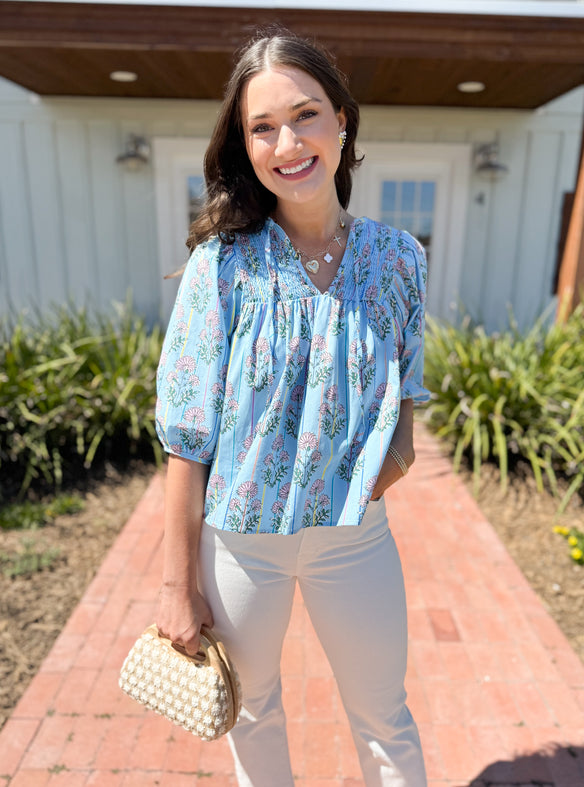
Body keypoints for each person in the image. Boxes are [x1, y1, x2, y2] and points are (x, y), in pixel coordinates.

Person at [155, 27, 429, 787]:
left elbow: (407, 388)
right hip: (243, 544)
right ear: (245, 147)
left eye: (305, 114)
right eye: (262, 127)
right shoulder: (223, 267)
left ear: (343, 120)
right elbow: (187, 438)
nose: (288, 141)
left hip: (355, 538)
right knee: (254, 710)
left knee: (385, 717)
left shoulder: (400, 257)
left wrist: (387, 469)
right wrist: (178, 586)